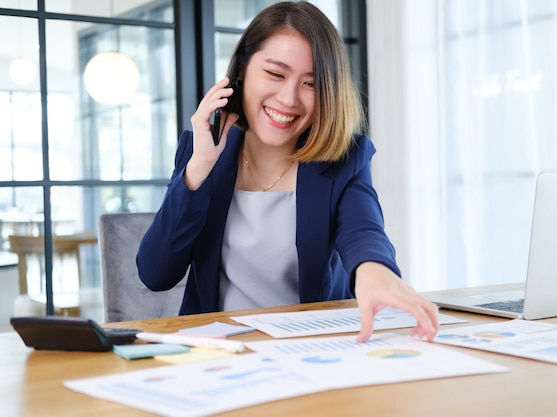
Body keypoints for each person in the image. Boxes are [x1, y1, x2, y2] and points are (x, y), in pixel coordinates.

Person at [137, 1, 439, 342]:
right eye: (275, 74)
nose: (289, 97)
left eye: (311, 83)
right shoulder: (201, 153)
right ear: (240, 74)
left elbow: (363, 230)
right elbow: (155, 273)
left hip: (309, 349)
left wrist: (374, 271)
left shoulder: (344, 157)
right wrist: (200, 167)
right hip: (218, 354)